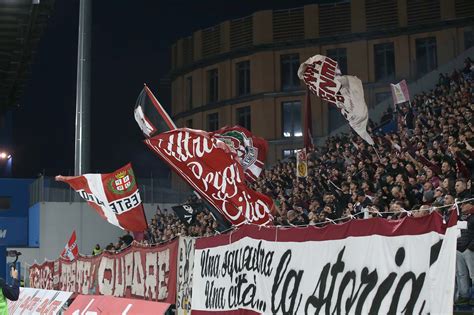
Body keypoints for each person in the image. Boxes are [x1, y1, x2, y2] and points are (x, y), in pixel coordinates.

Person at [455, 200, 474, 305]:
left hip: (469, 249)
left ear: (471, 204)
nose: (461, 206)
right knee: (461, 274)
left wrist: (471, 247)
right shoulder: (459, 217)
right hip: (459, 248)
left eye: (464, 204)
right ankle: (464, 296)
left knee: (473, 274)